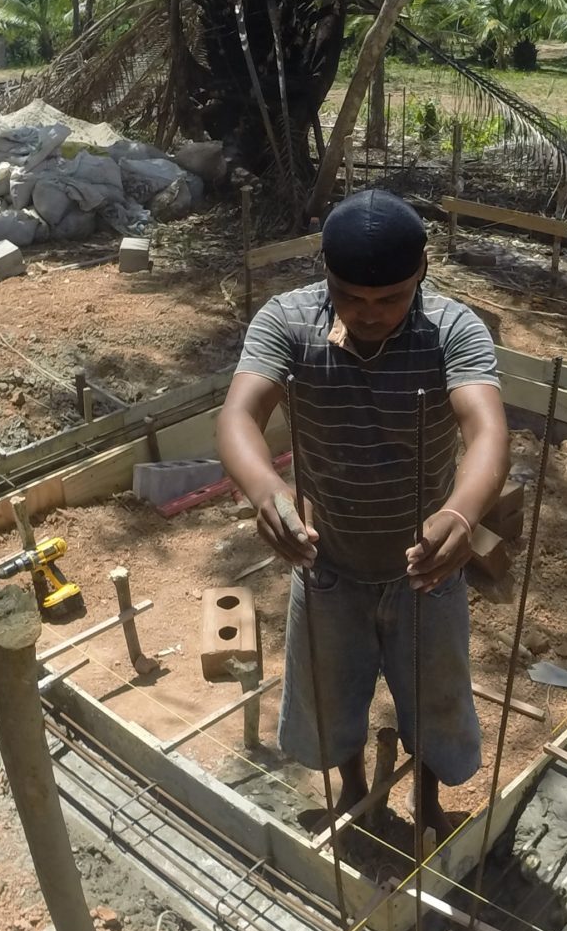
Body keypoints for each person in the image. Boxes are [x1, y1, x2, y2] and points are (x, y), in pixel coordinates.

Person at [218, 188, 509, 842]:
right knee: (329, 701)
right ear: (327, 274)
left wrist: (461, 517)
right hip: (327, 566)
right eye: (351, 296)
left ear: (422, 273)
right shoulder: (288, 322)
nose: (369, 313)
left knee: (432, 703)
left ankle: (427, 802)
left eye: (390, 299)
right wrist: (269, 494)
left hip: (425, 571)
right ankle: (352, 788)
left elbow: (486, 432)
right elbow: (239, 416)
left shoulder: (453, 331)